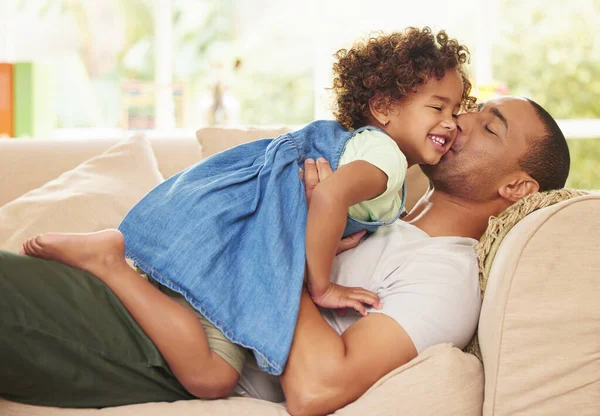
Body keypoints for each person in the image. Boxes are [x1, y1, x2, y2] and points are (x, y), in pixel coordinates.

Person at [0, 96, 570, 413]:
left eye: (489, 127)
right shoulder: (384, 209)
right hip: (164, 292)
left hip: (165, 344)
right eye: (469, 108)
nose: (460, 121)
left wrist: (288, 242)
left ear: (517, 187)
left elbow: (318, 388)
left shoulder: (444, 276)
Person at [19, 26, 475, 390]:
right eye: (437, 106)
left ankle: (113, 267)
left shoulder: (365, 149)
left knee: (202, 356)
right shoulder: (386, 159)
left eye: (457, 110)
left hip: (223, 229)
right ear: (382, 106)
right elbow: (330, 197)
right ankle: (109, 263)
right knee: (214, 374)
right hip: (240, 248)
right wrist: (321, 287)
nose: (451, 123)